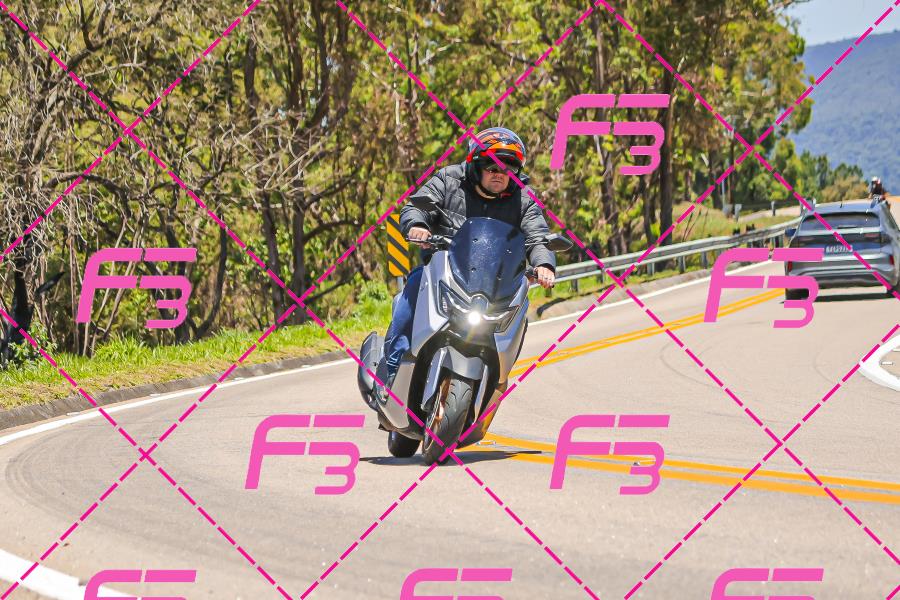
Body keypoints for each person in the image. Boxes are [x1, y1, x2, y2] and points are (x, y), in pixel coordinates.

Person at [370, 127, 557, 407]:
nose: (499, 173)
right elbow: (416, 206)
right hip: (445, 272)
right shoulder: (449, 179)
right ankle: (392, 371)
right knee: (413, 286)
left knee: (521, 316)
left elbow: (537, 237)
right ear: (475, 165)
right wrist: (418, 224)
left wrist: (543, 263)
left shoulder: (524, 199)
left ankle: (496, 384)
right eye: (491, 166)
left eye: (507, 167)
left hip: (494, 285)